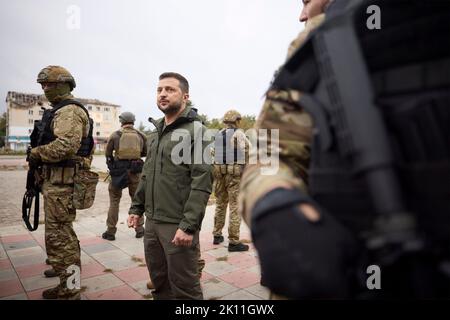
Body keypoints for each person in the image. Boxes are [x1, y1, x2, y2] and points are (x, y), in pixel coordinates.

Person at [238, 0, 352, 299]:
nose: (302, 15)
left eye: (308, 1)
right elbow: (271, 154)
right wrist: (275, 206)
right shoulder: (322, 43)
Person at [127, 72, 213, 300]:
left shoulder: (197, 132)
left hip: (177, 224)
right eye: (159, 90)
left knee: (185, 288)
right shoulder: (155, 134)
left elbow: (201, 182)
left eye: (170, 89)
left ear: (185, 96)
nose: (163, 94)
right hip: (153, 224)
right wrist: (137, 208)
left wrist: (188, 226)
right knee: (159, 283)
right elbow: (146, 174)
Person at [29, 65, 94, 299]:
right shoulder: (59, 110)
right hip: (56, 185)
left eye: (50, 84)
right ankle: (66, 276)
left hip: (62, 187)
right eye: (43, 85)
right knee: (63, 236)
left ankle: (71, 289)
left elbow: (65, 146)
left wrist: (36, 153)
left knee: (61, 239)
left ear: (65, 85)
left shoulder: (69, 111)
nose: (45, 89)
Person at [102, 111, 147, 240]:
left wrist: (113, 167)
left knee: (114, 201)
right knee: (137, 201)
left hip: (118, 172)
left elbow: (108, 154)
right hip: (136, 172)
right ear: (133, 121)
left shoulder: (115, 135)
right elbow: (145, 152)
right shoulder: (141, 135)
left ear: (121, 121)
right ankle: (139, 229)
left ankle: (110, 232)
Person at [212, 110, 250, 251]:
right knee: (235, 207)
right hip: (234, 177)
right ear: (237, 120)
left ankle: (217, 235)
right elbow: (248, 152)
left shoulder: (219, 134)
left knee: (220, 205)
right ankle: (234, 242)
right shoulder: (239, 134)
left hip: (220, 175)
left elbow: (213, 154)